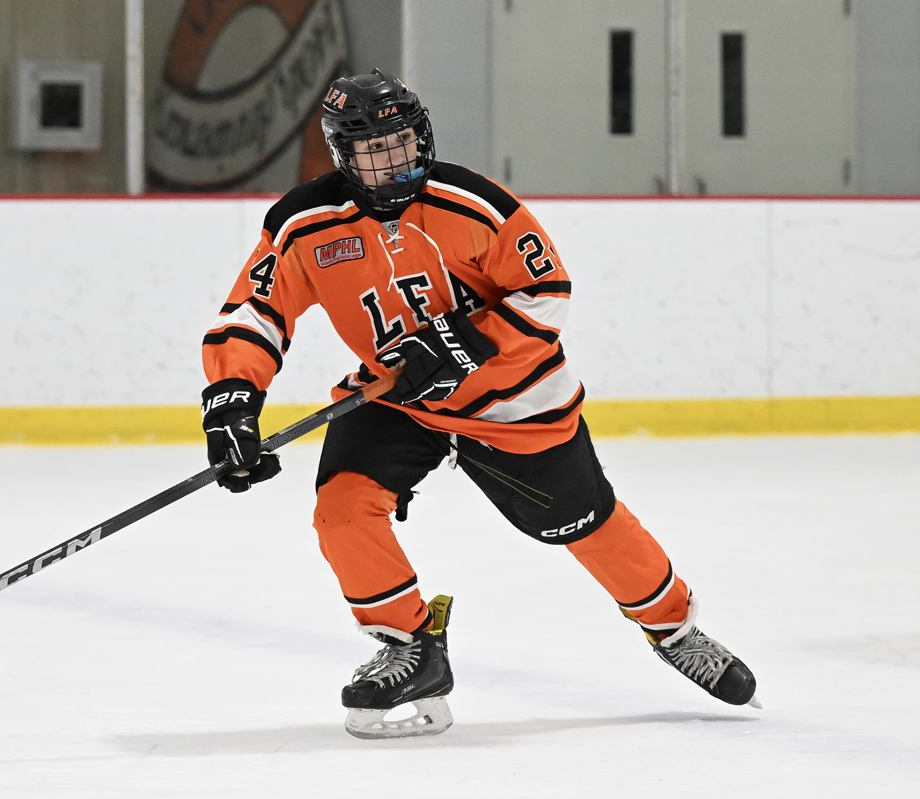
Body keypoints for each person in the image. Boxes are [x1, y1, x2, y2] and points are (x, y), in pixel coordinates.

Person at [199, 69, 758, 739]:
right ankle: (412, 645)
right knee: (342, 511)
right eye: (374, 151)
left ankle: (672, 626)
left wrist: (461, 343)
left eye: (402, 142)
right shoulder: (305, 224)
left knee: (585, 523)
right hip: (399, 399)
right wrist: (232, 399)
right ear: (344, 158)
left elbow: (545, 290)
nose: (394, 160)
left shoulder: (473, 204)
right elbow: (255, 312)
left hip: (512, 403)